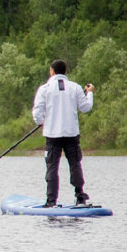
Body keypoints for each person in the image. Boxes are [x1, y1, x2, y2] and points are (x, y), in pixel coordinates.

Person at [32, 59, 95, 207]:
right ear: (64, 71)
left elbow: (37, 113)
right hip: (71, 134)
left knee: (52, 167)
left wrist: (41, 122)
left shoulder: (44, 89)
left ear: (51, 71)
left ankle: (51, 200)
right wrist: (90, 93)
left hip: (52, 136)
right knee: (75, 164)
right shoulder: (75, 88)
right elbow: (86, 108)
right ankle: (80, 197)